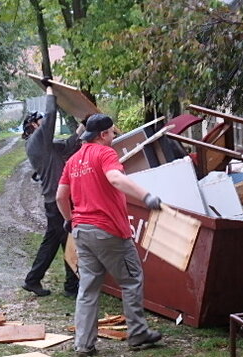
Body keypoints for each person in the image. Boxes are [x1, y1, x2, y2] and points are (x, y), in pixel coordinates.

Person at [55, 113, 163, 356]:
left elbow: (61, 196)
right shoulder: (105, 153)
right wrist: (146, 196)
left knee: (88, 287)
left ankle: (83, 344)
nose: (114, 136)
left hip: (82, 230)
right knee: (131, 278)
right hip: (108, 230)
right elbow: (115, 178)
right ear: (103, 134)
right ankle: (137, 333)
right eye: (113, 132)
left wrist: (69, 220)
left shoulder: (73, 161)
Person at [21, 77, 83, 298]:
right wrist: (50, 93)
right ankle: (71, 286)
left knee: (55, 240)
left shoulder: (47, 145)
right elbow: (49, 123)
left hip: (56, 199)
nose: (42, 124)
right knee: (68, 239)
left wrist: (83, 126)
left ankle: (33, 280)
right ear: (33, 126)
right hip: (56, 200)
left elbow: (67, 146)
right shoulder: (35, 142)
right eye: (39, 121)